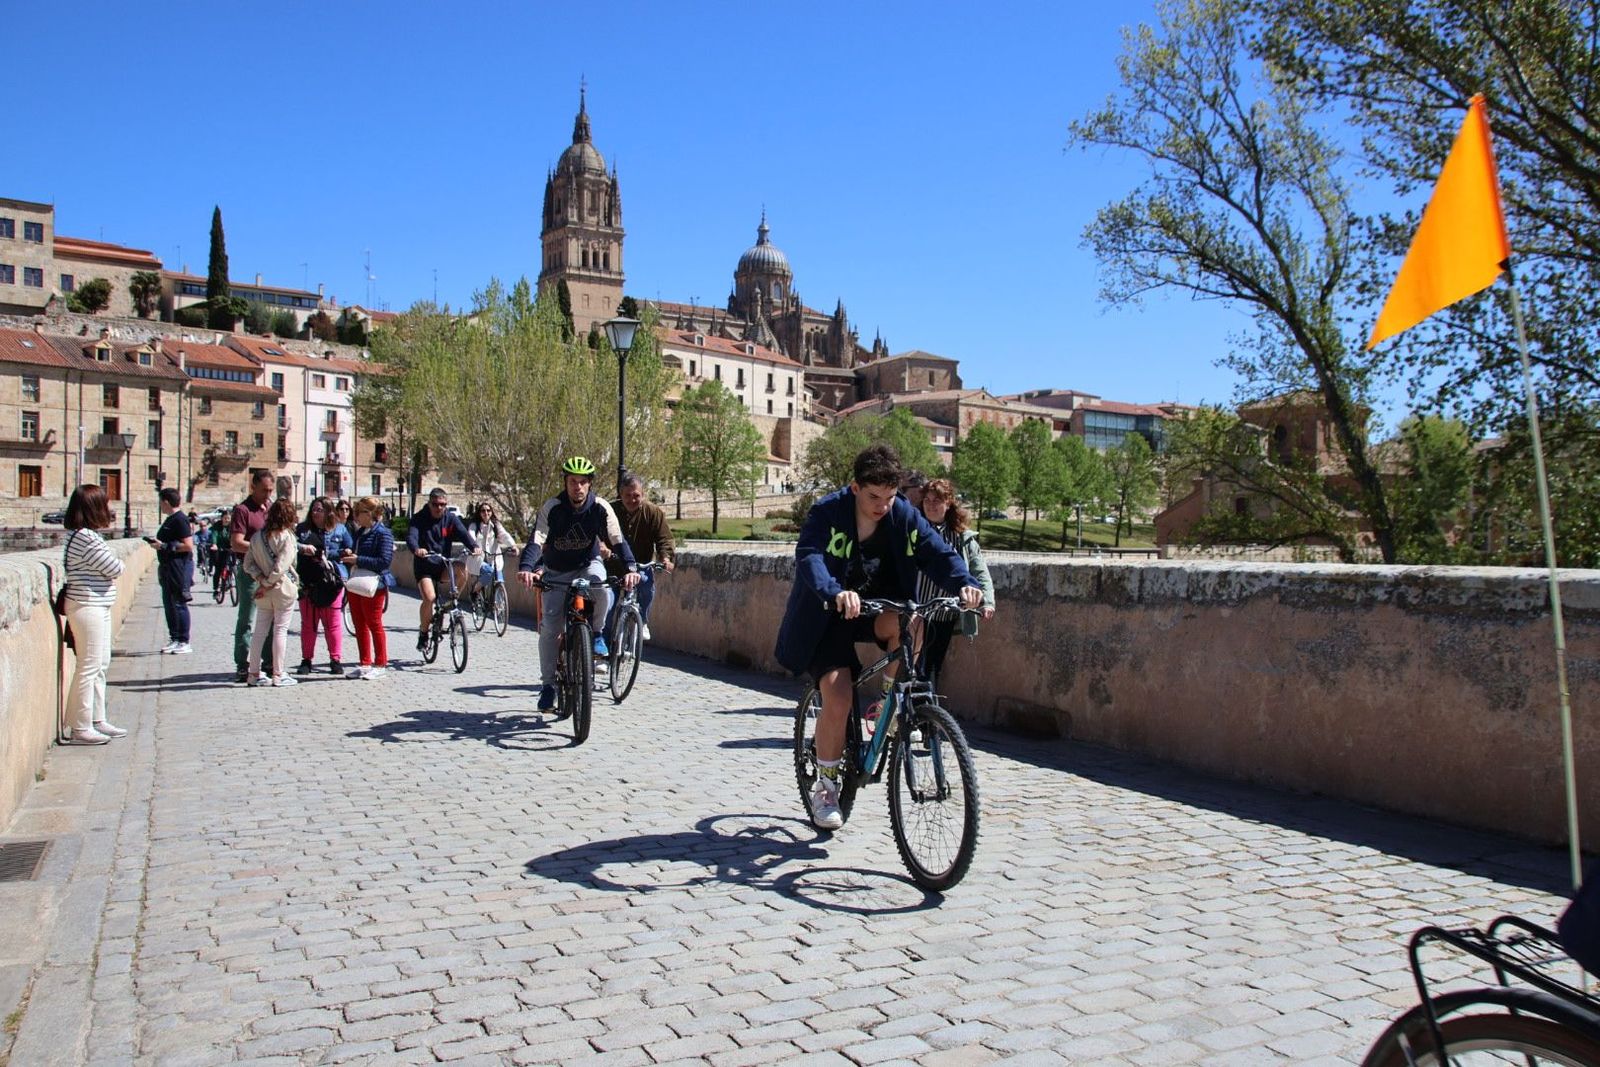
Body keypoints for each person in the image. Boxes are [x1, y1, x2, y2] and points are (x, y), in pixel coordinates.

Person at [774, 445, 983, 830]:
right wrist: (834, 591)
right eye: (873, 497)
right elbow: (809, 557)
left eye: (889, 497)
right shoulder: (827, 512)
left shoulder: (902, 514)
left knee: (913, 623)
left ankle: (886, 709)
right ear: (855, 487)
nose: (882, 506)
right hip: (830, 614)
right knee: (838, 694)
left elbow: (938, 554)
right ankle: (825, 784)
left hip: (876, 609)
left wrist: (966, 584)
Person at [516, 457, 639, 711]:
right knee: (550, 628)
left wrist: (631, 568)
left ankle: (595, 634)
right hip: (556, 570)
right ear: (566, 482)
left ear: (590, 484)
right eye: (573, 481)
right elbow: (536, 541)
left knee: (603, 587)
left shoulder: (601, 507)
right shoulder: (553, 507)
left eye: (583, 482)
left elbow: (618, 540)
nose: (578, 487)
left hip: (587, 563)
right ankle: (548, 686)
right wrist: (527, 568)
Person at [60, 484, 126, 744]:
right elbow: (114, 567)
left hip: (96, 605)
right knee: (89, 667)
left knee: (100, 665)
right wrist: (115, 564)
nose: (109, 509)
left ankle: (97, 719)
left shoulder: (84, 536)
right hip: (88, 605)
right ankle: (80, 726)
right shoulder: (86, 537)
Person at [916, 478, 996, 686]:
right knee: (911, 669)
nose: (931, 505)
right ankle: (912, 712)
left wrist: (986, 601)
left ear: (949, 502)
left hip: (944, 615)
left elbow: (979, 571)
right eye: (927, 500)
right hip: (916, 613)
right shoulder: (914, 531)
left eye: (937, 500)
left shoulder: (962, 538)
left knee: (932, 669)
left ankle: (925, 713)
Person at [601, 473, 675, 642]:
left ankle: (642, 621)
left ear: (643, 495)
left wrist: (666, 558)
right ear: (621, 494)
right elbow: (598, 535)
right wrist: (603, 548)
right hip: (613, 565)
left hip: (641, 565)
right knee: (608, 603)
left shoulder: (653, 513)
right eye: (627, 495)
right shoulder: (609, 511)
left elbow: (664, 538)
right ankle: (602, 650)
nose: (632, 500)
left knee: (647, 585)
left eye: (636, 496)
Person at [406, 488, 477, 652]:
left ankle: (452, 601)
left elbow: (463, 533)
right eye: (435, 504)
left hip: (443, 565)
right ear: (429, 503)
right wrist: (417, 549)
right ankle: (423, 633)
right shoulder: (419, 519)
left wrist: (474, 546)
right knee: (429, 598)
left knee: (461, 569)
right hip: (424, 566)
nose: (439, 508)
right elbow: (411, 536)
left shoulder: (450, 518)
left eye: (443, 505)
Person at [243, 498, 301, 687]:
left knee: (259, 631)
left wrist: (260, 580)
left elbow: (248, 564)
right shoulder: (287, 537)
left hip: (264, 591)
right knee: (280, 631)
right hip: (282, 588)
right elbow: (282, 566)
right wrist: (268, 582)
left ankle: (253, 673)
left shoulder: (257, 537)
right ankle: (278, 673)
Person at [294, 497, 353, 675]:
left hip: (331, 581)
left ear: (328, 512)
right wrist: (303, 548)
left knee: (332, 623)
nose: (315, 512)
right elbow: (291, 545)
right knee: (308, 623)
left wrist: (333, 553)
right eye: (313, 509)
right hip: (307, 580)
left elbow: (349, 549)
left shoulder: (340, 529)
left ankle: (335, 660)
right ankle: (306, 660)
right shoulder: (303, 530)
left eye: (319, 509)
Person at [341, 496, 395, 679]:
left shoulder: (383, 533)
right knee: (359, 623)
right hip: (357, 582)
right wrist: (350, 553)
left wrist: (358, 559)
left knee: (374, 623)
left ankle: (380, 663)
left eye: (359, 512)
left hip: (374, 583)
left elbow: (384, 561)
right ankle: (365, 662)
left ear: (371, 513)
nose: (355, 515)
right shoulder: (360, 532)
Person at [229, 471, 276, 684]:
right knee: (247, 619)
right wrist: (262, 548)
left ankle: (267, 661)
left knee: (269, 618)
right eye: (264, 490)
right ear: (253, 486)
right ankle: (242, 663)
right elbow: (237, 542)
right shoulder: (242, 510)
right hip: (250, 572)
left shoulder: (269, 510)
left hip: (269, 572)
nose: (268, 494)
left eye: (270, 490)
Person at [152, 487, 195, 654]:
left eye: (161, 502)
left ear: (166, 502)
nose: (160, 506)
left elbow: (188, 546)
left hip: (179, 567)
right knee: (169, 604)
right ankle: (175, 637)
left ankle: (184, 640)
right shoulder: (170, 519)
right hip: (168, 567)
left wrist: (163, 546)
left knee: (179, 603)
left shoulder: (180, 519)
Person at [466, 501, 517, 598]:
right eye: (483, 511)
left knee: (499, 580)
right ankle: (475, 590)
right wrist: (474, 548)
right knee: (489, 571)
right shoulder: (474, 526)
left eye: (488, 510)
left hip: (494, 558)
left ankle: (498, 605)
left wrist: (513, 545)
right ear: (479, 513)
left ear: (491, 512)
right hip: (478, 559)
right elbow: (470, 538)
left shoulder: (495, 525)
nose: (486, 513)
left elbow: (504, 535)